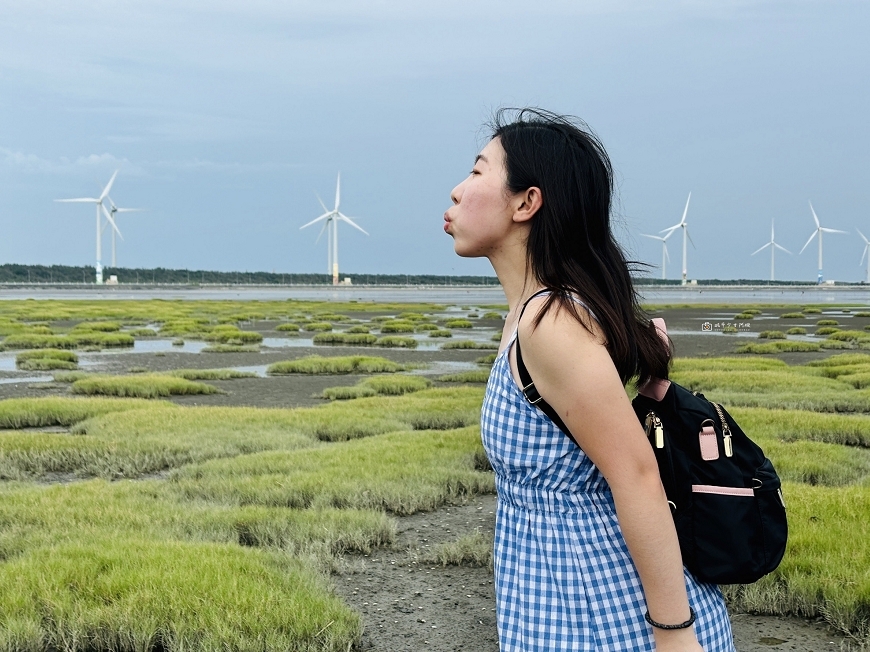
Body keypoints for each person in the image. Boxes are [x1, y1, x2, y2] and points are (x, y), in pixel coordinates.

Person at [443, 108, 735, 651]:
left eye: (478, 172)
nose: (457, 191)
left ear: (527, 202)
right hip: (557, 595)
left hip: (601, 609)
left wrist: (673, 635)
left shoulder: (549, 323)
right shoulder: (532, 315)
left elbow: (637, 476)